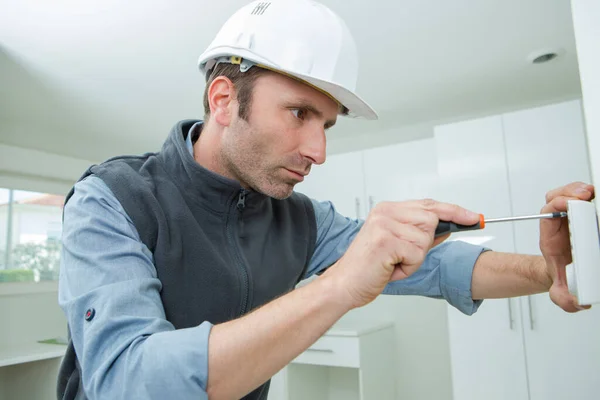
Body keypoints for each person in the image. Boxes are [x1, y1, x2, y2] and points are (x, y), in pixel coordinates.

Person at [56, 0, 594, 399]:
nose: (318, 150)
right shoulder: (112, 200)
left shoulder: (300, 219)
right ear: (224, 100)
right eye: (298, 113)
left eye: (327, 125)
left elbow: (435, 265)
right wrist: (340, 285)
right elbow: (126, 381)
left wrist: (557, 271)